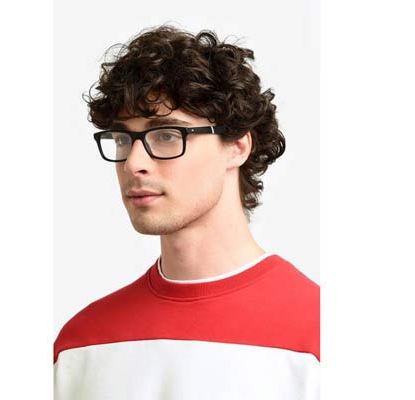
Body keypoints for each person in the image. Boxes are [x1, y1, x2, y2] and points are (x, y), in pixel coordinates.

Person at [54, 25, 319, 400]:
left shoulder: (316, 338)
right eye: (123, 138)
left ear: (237, 147)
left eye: (166, 135)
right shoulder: (81, 345)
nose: (133, 163)